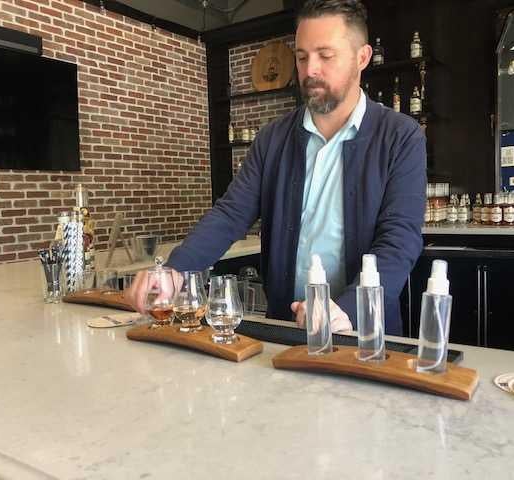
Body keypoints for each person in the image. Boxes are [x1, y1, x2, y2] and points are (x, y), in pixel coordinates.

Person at [125, 0, 426, 335]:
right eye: (301, 56)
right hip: (285, 330)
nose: (310, 69)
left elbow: (399, 239)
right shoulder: (274, 138)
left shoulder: (400, 136)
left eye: (325, 56)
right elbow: (230, 214)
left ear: (362, 57)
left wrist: (349, 308)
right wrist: (175, 270)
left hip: (363, 331)